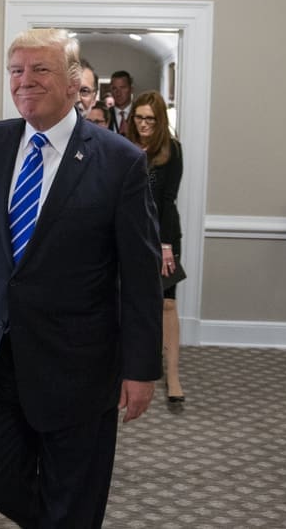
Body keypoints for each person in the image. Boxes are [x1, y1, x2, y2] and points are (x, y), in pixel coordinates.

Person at [0, 28, 163, 528]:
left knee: (76, 494)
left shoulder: (120, 160)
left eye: (40, 69)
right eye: (16, 70)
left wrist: (141, 368)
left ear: (74, 81)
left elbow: (141, 277)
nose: (25, 81)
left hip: (78, 364)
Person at [125, 91, 185, 408]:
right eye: (139, 117)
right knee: (127, 301)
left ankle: (172, 375)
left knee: (167, 305)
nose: (144, 124)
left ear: (160, 121)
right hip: (127, 235)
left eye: (150, 118)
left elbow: (167, 200)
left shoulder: (172, 150)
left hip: (163, 237)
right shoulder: (120, 146)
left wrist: (166, 246)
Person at [107, 70, 134, 134]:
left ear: (131, 89)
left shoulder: (139, 113)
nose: (118, 93)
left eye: (123, 87)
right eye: (114, 88)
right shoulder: (107, 114)